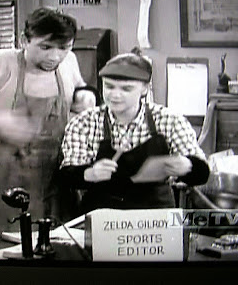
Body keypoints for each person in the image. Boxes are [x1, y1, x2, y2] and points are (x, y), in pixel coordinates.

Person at [0, 7, 97, 238]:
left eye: (64, 47)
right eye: (45, 47)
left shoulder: (69, 62)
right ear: (24, 40)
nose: (54, 57)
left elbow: (79, 89)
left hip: (53, 183)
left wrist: (85, 94)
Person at [59, 48, 210, 214]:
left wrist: (187, 166)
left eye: (126, 89)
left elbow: (202, 173)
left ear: (145, 89)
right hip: (101, 217)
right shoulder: (84, 122)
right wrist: (89, 174)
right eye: (109, 87)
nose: (115, 95)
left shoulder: (170, 121)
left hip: (156, 218)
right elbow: (66, 177)